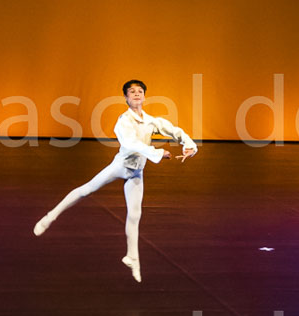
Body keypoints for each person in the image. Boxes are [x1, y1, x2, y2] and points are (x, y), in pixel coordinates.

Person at [33, 80, 197, 282]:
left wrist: (189, 145)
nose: (136, 94)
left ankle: (133, 258)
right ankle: (49, 217)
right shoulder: (123, 121)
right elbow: (131, 143)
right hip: (120, 166)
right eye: (132, 91)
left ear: (144, 96)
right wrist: (157, 152)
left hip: (136, 173)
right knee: (87, 190)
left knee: (135, 215)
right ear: (126, 98)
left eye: (140, 91)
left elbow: (173, 130)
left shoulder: (151, 121)